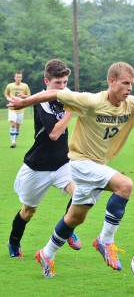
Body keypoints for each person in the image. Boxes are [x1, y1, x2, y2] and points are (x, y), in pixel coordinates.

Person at [7, 62, 134, 277]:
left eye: (132, 83)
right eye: (125, 83)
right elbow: (52, 93)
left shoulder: (133, 105)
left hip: (97, 166)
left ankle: (46, 254)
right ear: (112, 82)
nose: (129, 87)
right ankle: (105, 240)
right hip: (79, 163)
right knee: (125, 185)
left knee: (75, 218)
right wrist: (23, 102)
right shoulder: (92, 101)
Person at [8, 59, 81, 258]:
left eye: (65, 82)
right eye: (58, 83)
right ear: (47, 81)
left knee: (80, 195)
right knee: (28, 212)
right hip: (37, 167)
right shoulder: (42, 102)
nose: (63, 87)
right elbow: (55, 134)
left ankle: (68, 230)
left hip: (61, 164)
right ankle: (14, 241)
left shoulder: (66, 97)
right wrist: (71, 111)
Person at [4, 71, 31, 148]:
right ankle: (13, 142)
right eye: (17, 77)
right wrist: (8, 98)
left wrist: (23, 95)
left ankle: (14, 140)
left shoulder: (25, 86)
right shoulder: (10, 85)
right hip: (12, 107)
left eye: (20, 77)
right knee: (13, 124)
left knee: (18, 126)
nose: (18, 78)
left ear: (21, 78)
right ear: (14, 77)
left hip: (21, 108)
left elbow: (29, 95)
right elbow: (6, 93)